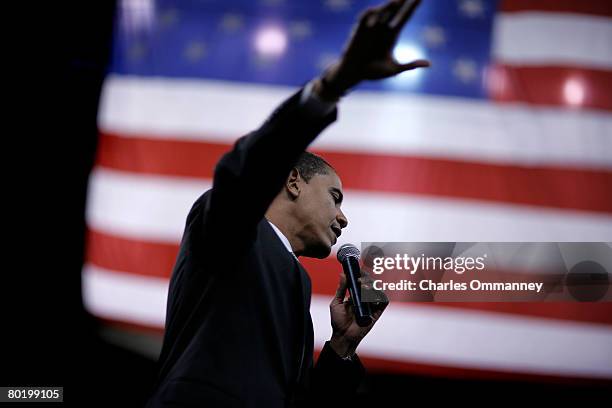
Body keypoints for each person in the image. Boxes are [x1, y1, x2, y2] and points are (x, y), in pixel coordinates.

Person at [145, 1, 430, 406]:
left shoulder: (295, 280)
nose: (344, 218)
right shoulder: (234, 231)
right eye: (335, 197)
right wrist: (335, 83)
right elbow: (246, 170)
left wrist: (342, 348)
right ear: (292, 181)